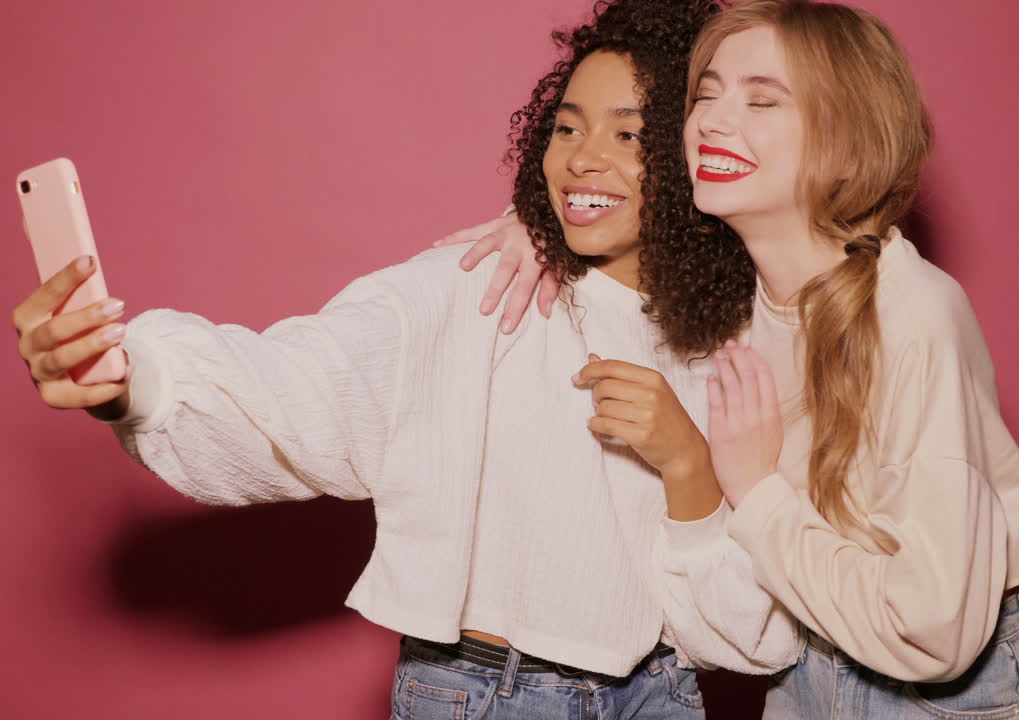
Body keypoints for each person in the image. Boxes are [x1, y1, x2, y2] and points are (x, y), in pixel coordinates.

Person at [10, 1, 801, 718]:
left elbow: (750, 643)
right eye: (566, 126)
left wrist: (688, 465)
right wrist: (129, 379)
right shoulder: (484, 289)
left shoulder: (735, 343)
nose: (584, 158)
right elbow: (296, 386)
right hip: (494, 694)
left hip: (664, 696)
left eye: (630, 134)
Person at [463, 1, 1019, 718]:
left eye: (761, 99)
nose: (710, 120)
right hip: (803, 668)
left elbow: (936, 635)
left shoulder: (912, 313)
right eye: (704, 94)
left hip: (932, 697)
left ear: (847, 135)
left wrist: (753, 490)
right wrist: (535, 226)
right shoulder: (726, 301)